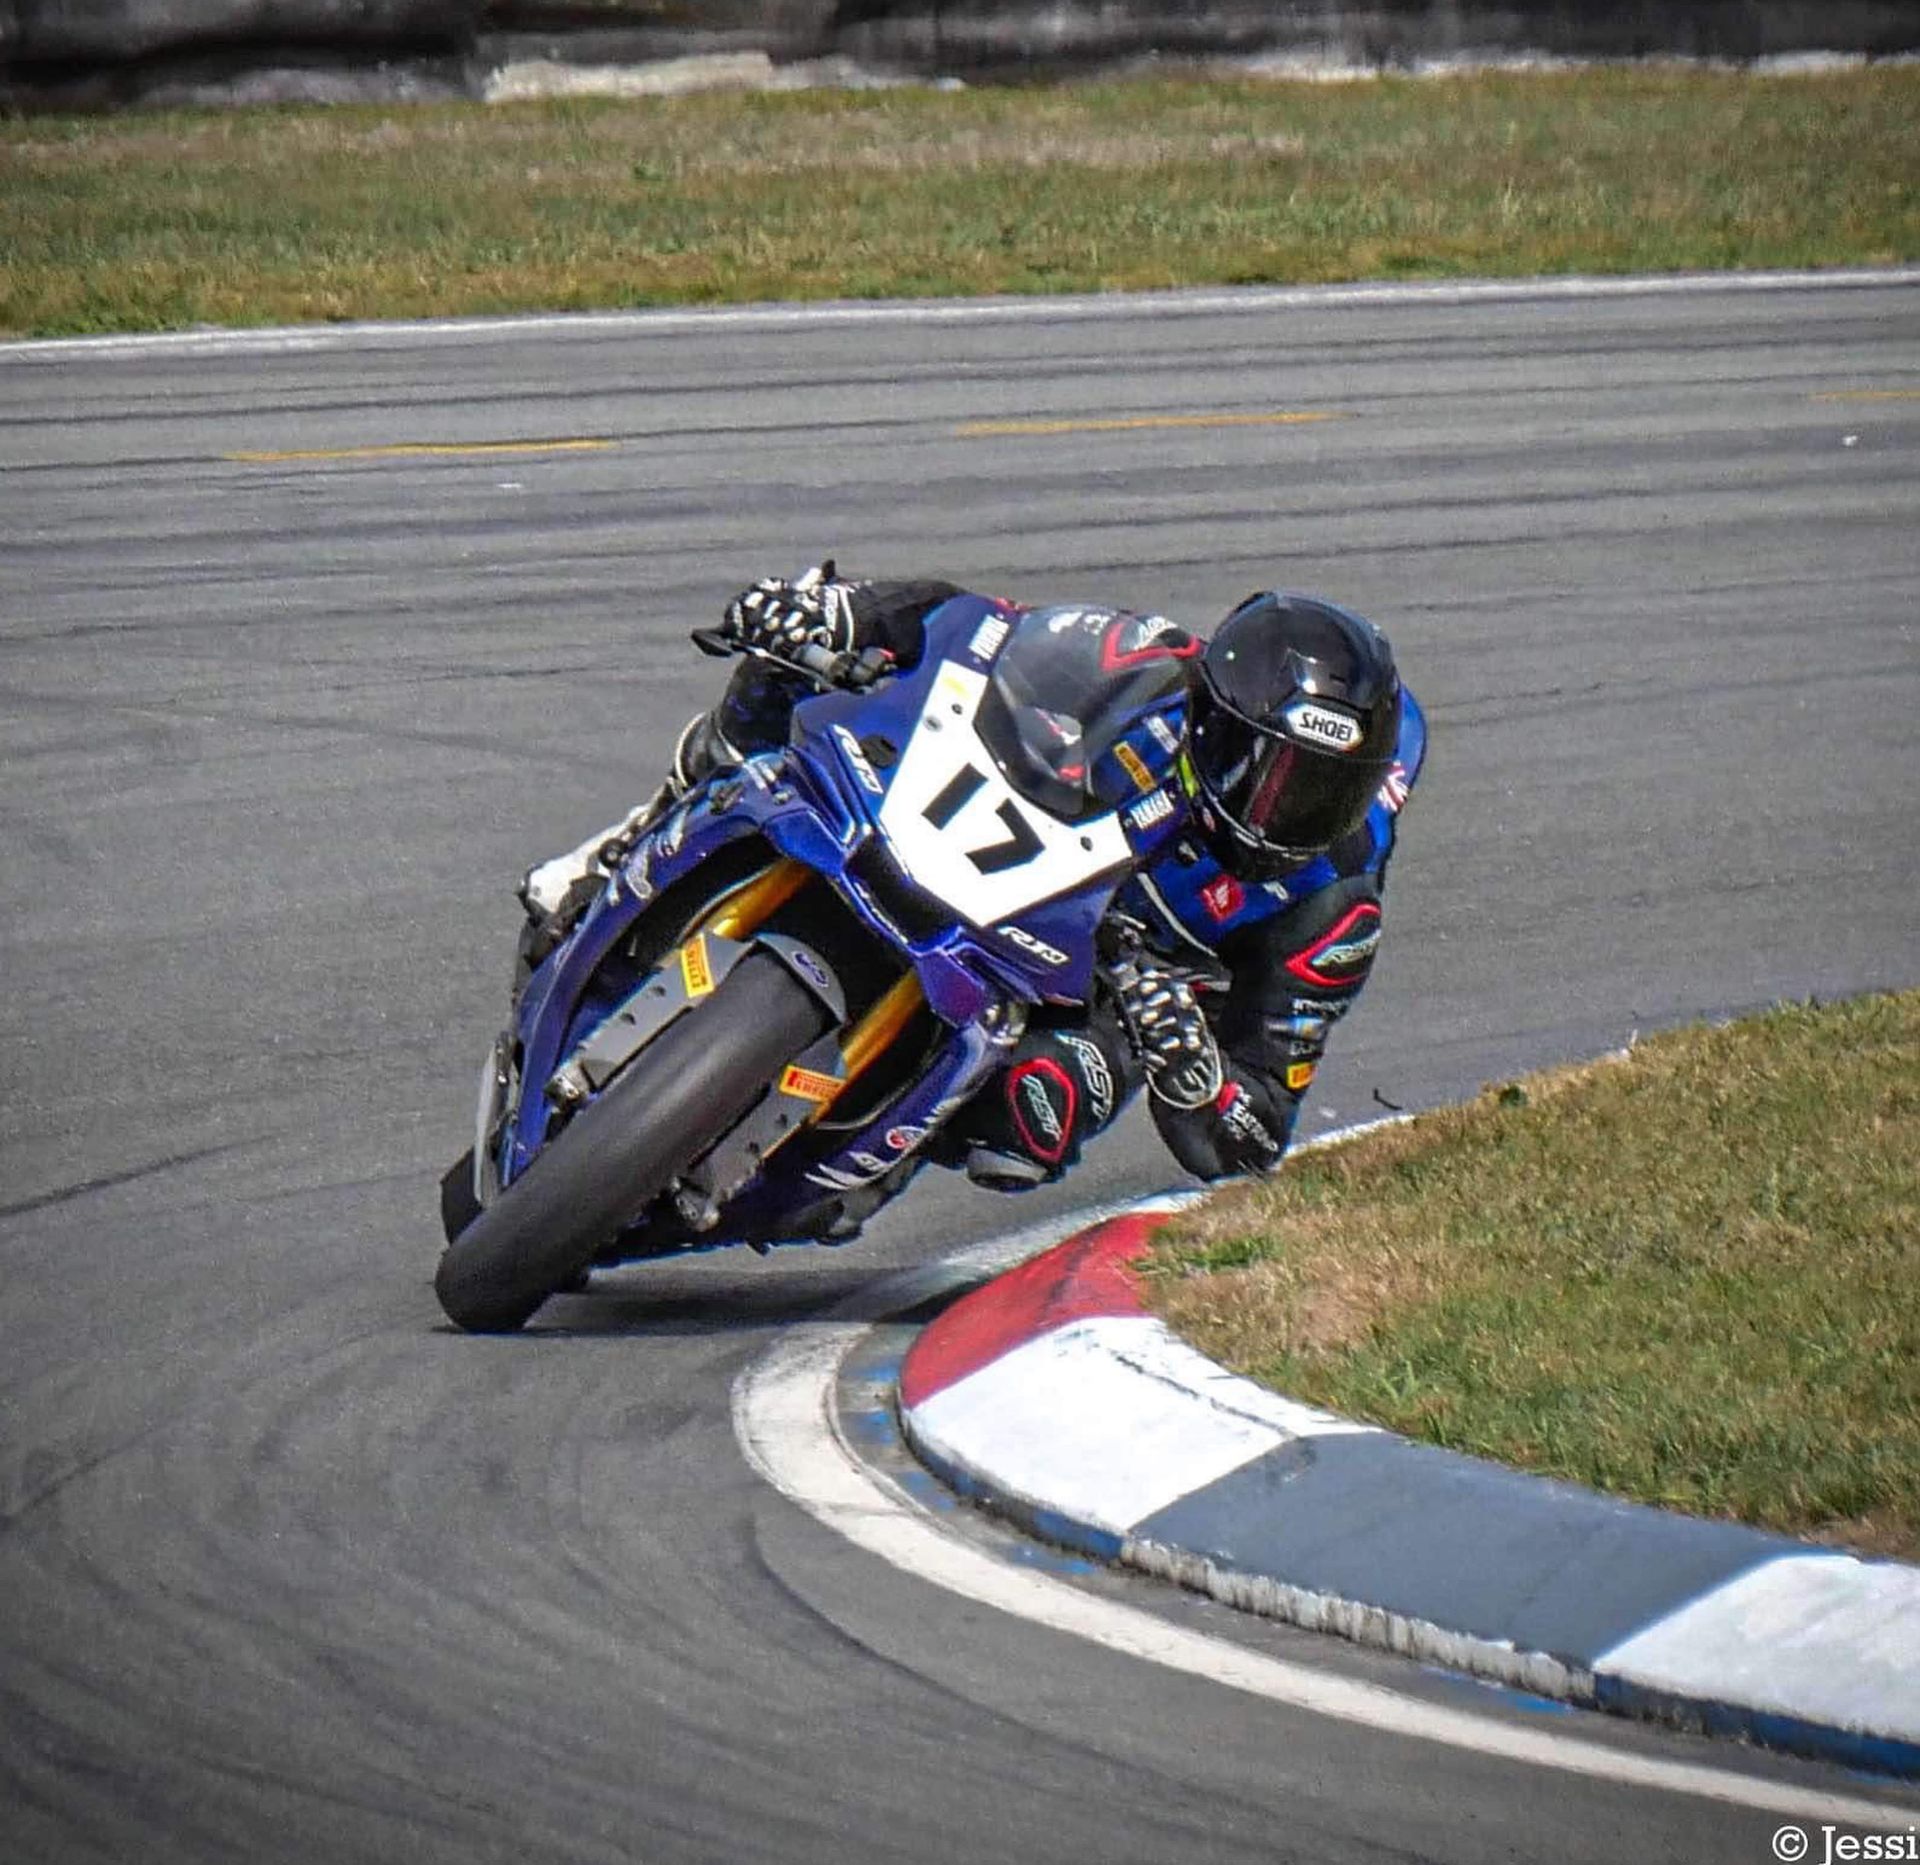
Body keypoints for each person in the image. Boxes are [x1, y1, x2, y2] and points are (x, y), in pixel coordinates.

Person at [518, 564, 1424, 1197]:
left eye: (1318, 793)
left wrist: (1194, 1070)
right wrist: (845, 615)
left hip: (1099, 994)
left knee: (1035, 1121)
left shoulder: (1330, 905)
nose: (1278, 813)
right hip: (991, 854)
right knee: (784, 673)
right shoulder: (1149, 664)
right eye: (1266, 772)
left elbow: (1257, 1131)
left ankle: (870, 1151)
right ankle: (632, 838)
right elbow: (976, 624)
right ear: (1214, 717)